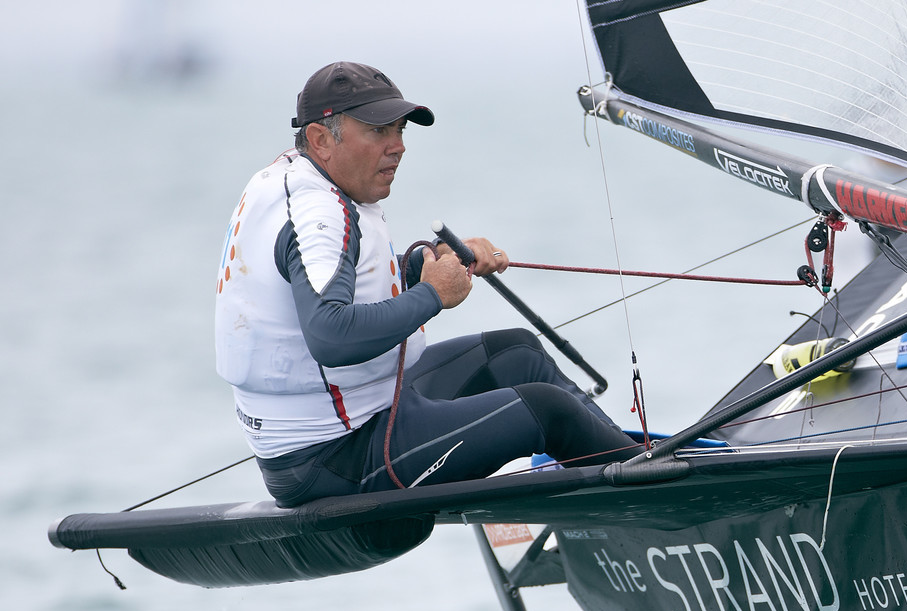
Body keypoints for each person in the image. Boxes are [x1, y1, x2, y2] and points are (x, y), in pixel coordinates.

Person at [215, 61, 640, 507]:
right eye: (379, 132)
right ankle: (658, 491)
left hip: (362, 413)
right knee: (547, 411)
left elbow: (341, 281)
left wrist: (425, 264)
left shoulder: (290, 179)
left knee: (517, 352)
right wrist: (433, 294)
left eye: (400, 130)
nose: (398, 147)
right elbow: (331, 335)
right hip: (337, 458)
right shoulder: (317, 213)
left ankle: (636, 461)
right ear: (321, 139)